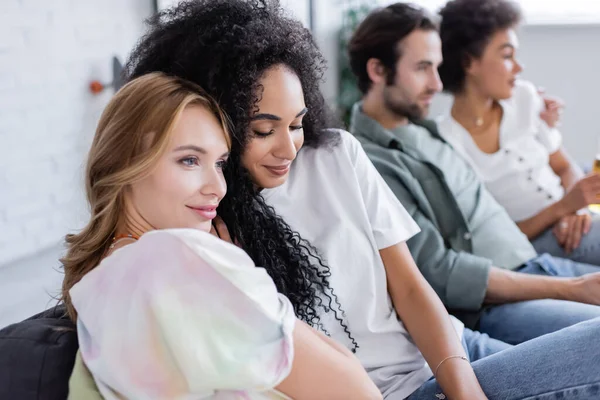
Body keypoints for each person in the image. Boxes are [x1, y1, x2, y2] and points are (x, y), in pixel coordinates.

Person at [117, 1, 600, 399]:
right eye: (263, 130)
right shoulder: (204, 215)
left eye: (296, 123)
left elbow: (411, 289)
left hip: (451, 352)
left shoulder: (338, 156)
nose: (289, 148)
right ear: (215, 120)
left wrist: (464, 389)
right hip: (398, 390)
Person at [62, 72, 381, 399]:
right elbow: (358, 391)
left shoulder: (101, 279)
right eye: (189, 160)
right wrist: (235, 273)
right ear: (125, 161)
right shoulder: (176, 261)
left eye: (220, 164)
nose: (218, 188)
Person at [347, 2, 600, 346]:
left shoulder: (424, 131)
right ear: (377, 70)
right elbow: (440, 271)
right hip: (501, 300)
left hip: (537, 265)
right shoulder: (370, 162)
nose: (437, 84)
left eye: (437, 67)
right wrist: (568, 289)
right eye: (423, 68)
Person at [435, 0, 600, 264]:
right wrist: (562, 209)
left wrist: (575, 209)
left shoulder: (524, 97)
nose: (519, 67)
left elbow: (564, 166)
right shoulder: (448, 145)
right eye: (507, 55)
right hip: (532, 243)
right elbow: (492, 240)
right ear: (469, 62)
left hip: (574, 220)